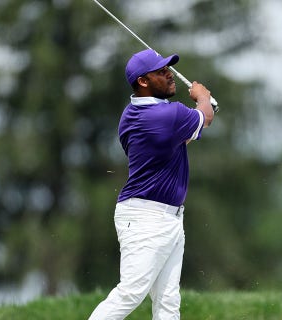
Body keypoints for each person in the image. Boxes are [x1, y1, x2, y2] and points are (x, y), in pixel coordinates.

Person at [88, 48, 215, 319]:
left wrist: (203, 112)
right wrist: (203, 98)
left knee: (168, 300)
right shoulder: (167, 116)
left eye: (168, 69)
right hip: (148, 217)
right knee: (131, 292)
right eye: (161, 72)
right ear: (143, 82)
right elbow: (204, 118)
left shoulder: (131, 115)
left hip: (164, 217)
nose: (169, 75)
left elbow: (187, 133)